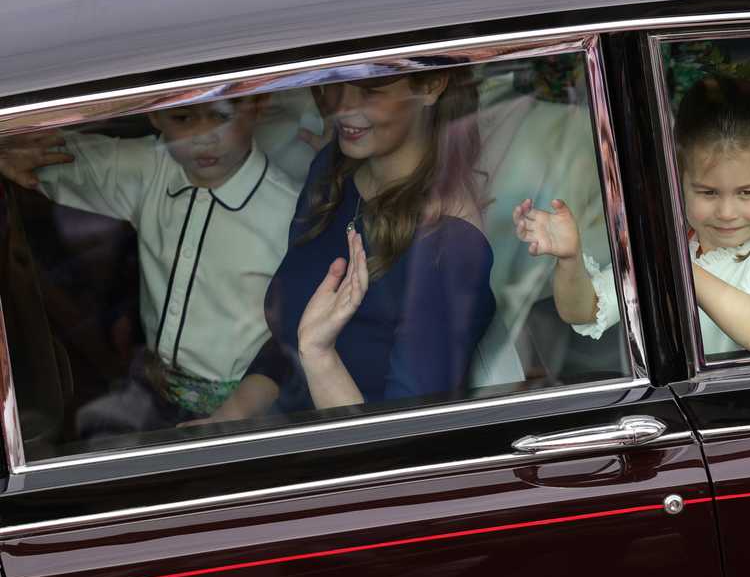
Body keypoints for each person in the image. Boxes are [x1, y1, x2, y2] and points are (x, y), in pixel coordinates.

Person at [202, 69, 496, 422]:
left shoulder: (449, 249)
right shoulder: (333, 172)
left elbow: (403, 440)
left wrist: (320, 355)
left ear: (431, 86)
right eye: (337, 82)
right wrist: (230, 416)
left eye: (370, 90)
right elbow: (288, 340)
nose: (340, 106)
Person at [0, 97, 300, 427]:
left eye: (220, 115)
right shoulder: (151, 169)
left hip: (247, 412)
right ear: (155, 116)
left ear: (256, 107)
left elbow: (292, 334)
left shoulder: (289, 212)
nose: (203, 136)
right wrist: (10, 150)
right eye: (183, 118)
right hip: (153, 389)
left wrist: (238, 412)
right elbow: (49, 153)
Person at [513, 75, 750, 356]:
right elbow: (583, 310)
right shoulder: (674, 244)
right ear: (678, 183)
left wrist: (681, 268)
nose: (727, 212)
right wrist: (570, 259)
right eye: (708, 192)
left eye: (746, 193)